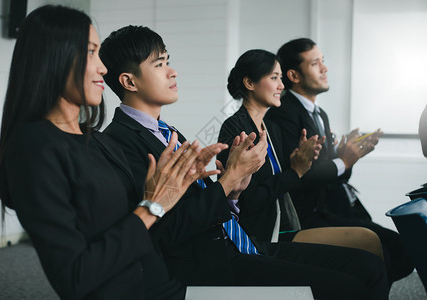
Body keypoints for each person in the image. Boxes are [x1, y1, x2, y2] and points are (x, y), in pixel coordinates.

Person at [100, 25, 389, 299]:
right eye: (160, 64)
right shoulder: (121, 142)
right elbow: (165, 231)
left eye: (168, 61)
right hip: (212, 262)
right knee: (348, 287)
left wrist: (233, 191)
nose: (173, 71)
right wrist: (226, 184)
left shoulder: (168, 132)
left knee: (369, 267)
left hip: (240, 242)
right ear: (129, 80)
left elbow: (196, 206)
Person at [0, 5, 216, 299]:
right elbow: (75, 277)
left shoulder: (98, 141)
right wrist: (152, 206)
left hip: (166, 287)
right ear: (53, 57)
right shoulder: (34, 146)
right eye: (90, 52)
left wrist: (172, 190)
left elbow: (142, 232)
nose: (102, 67)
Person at [265, 38, 414, 284]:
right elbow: (300, 175)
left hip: (333, 207)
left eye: (323, 61)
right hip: (310, 215)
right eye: (315, 63)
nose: (324, 68)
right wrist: (343, 161)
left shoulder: (319, 113)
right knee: (385, 253)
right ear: (293, 75)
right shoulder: (284, 112)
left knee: (401, 249)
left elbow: (336, 175)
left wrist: (348, 157)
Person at [218, 49, 384, 258]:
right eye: (274, 78)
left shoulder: (272, 129)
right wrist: (296, 170)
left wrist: (304, 162)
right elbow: (249, 201)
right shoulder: (235, 128)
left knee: (369, 246)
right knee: (364, 249)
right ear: (250, 83)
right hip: (259, 237)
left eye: (281, 78)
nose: (281, 86)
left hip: (285, 227)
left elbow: (287, 182)